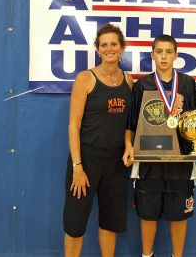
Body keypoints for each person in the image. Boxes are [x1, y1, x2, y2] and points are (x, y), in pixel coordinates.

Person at [122, 34, 196, 257]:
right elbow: (131, 122)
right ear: (152, 55)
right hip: (148, 159)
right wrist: (128, 146)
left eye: (168, 52)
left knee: (179, 215)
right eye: (159, 51)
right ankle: (147, 255)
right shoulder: (142, 85)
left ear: (176, 55)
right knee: (148, 215)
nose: (164, 56)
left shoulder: (187, 83)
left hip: (181, 158)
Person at [63, 23, 133, 257]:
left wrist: (128, 145)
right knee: (75, 224)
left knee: (110, 222)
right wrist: (77, 166)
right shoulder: (86, 79)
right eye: (104, 45)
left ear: (122, 48)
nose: (109, 48)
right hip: (87, 162)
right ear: (98, 49)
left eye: (114, 44)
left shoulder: (128, 80)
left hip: (116, 165)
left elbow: (127, 124)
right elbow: (74, 125)